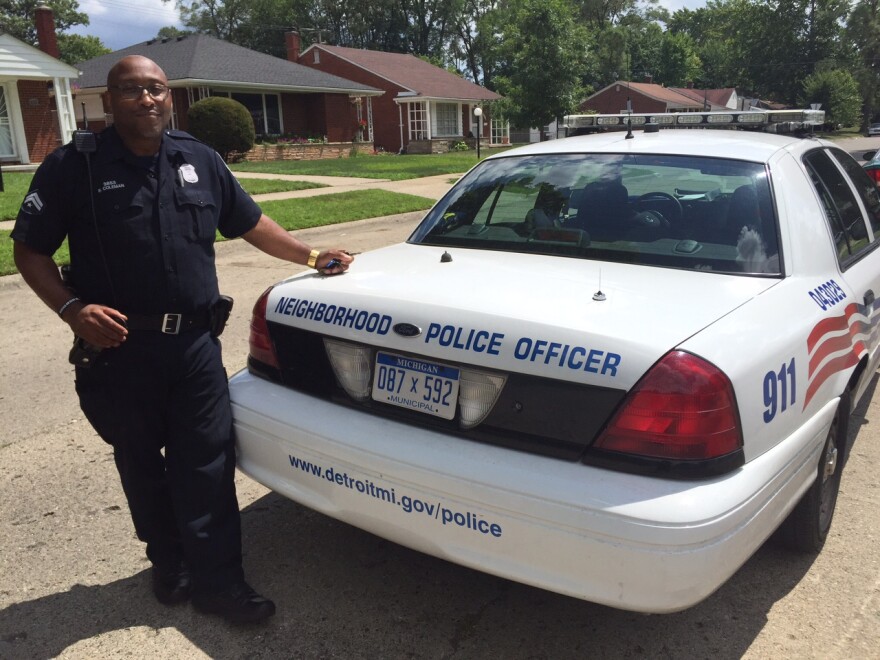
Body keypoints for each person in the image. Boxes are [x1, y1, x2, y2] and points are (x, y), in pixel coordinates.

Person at [12, 55, 354, 625]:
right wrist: (72, 310)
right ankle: (168, 564)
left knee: (207, 465)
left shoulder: (199, 159)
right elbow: (30, 249)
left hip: (194, 347)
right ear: (108, 100)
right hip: (120, 351)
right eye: (130, 91)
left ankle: (221, 583)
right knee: (141, 462)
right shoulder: (73, 167)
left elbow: (248, 221)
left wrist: (313, 256)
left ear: (170, 97)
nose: (147, 100)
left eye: (156, 89)